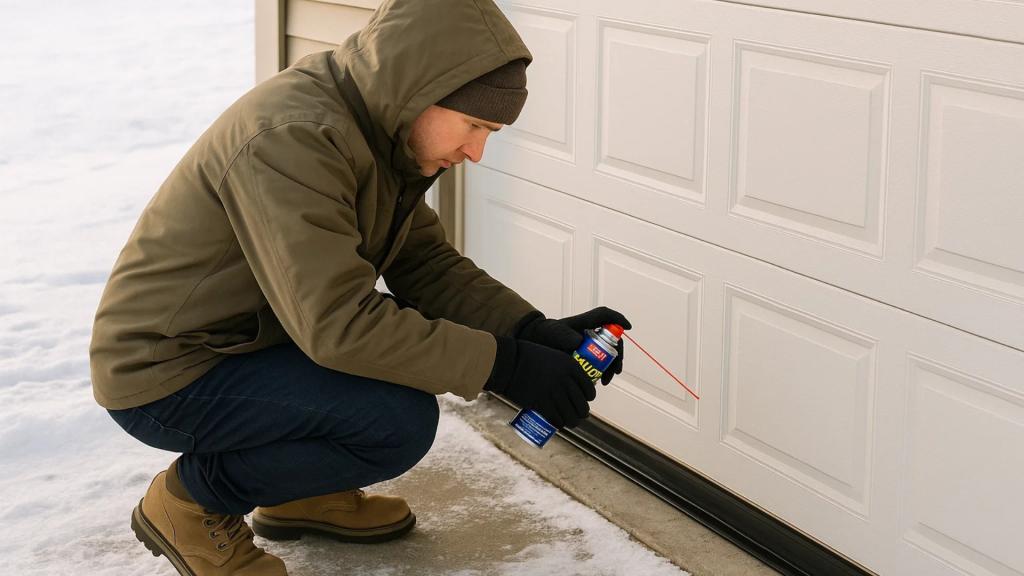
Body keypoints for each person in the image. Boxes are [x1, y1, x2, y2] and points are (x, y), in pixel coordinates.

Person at [89, 0, 631, 574]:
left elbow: (422, 263)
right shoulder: (294, 139)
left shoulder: (380, 133)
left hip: (258, 338)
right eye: (474, 125)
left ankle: (300, 491)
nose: (476, 151)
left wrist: (527, 330)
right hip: (171, 369)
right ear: (420, 88)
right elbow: (338, 325)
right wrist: (506, 365)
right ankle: (188, 502)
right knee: (393, 420)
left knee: (383, 401)